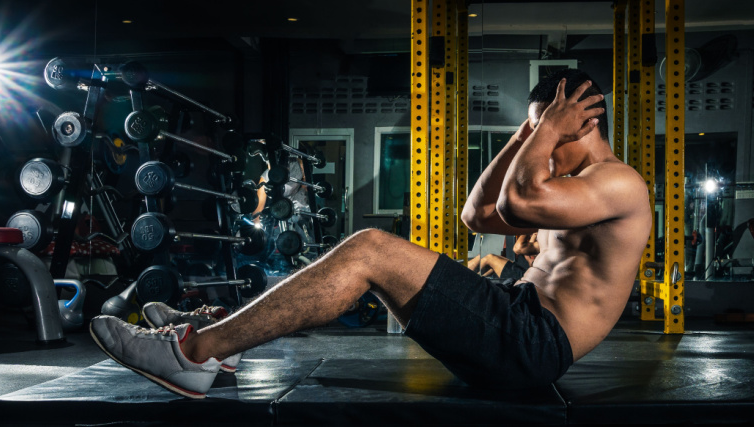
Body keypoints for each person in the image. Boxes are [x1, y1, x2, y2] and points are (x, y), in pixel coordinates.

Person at [89, 69, 652, 399]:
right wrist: (530, 129)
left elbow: (518, 199)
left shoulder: (617, 184)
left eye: (548, 133)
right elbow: (477, 214)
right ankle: (223, 339)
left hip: (534, 344)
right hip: (517, 317)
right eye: (537, 133)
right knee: (369, 258)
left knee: (368, 250)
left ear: (586, 123)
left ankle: (192, 356)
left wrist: (548, 126)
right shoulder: (572, 184)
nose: (541, 145)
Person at [468, 232, 539, 280]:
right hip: (530, 276)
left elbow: (518, 248)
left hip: (528, 279)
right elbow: (528, 252)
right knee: (491, 266)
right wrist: (533, 234)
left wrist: (527, 229)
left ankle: (460, 274)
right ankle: (469, 279)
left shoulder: (547, 243)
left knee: (489, 258)